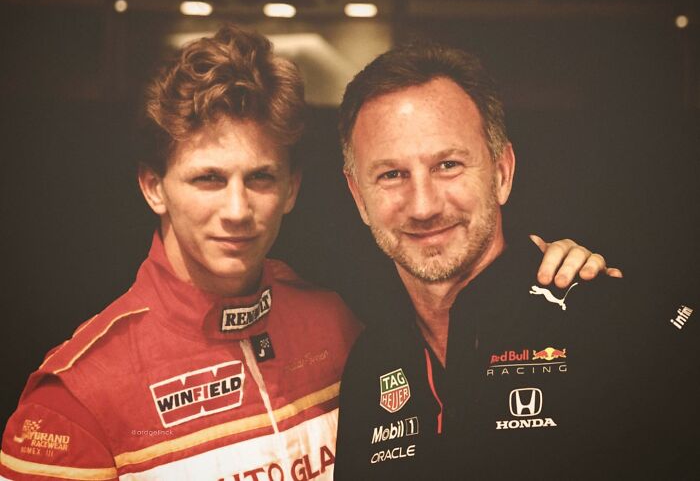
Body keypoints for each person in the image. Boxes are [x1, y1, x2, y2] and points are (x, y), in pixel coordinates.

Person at [0, 26, 619, 481]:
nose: (238, 209)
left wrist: (559, 275)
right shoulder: (74, 397)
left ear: (292, 189)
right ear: (153, 187)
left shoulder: (340, 322)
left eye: (261, 178)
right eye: (208, 179)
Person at [333, 43, 697, 480]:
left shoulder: (612, 318)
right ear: (359, 197)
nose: (423, 206)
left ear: (502, 173)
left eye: (448, 165)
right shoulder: (368, 365)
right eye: (391, 174)